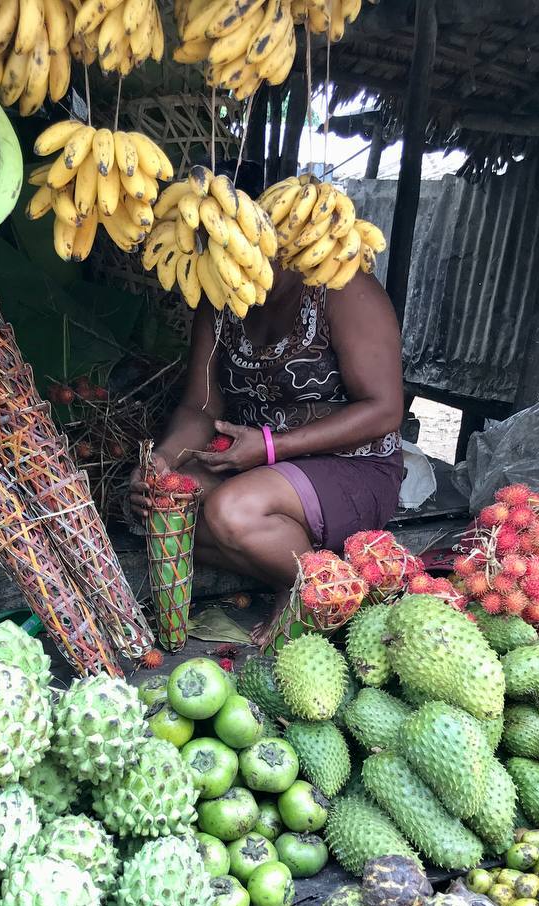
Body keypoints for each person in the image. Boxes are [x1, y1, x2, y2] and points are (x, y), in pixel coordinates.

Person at [130, 160, 404, 643]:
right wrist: (164, 461)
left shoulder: (341, 289)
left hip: (351, 465)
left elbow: (384, 410)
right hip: (256, 466)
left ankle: (308, 587)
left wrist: (273, 447)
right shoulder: (221, 297)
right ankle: (297, 560)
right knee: (165, 506)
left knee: (232, 512)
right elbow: (201, 407)